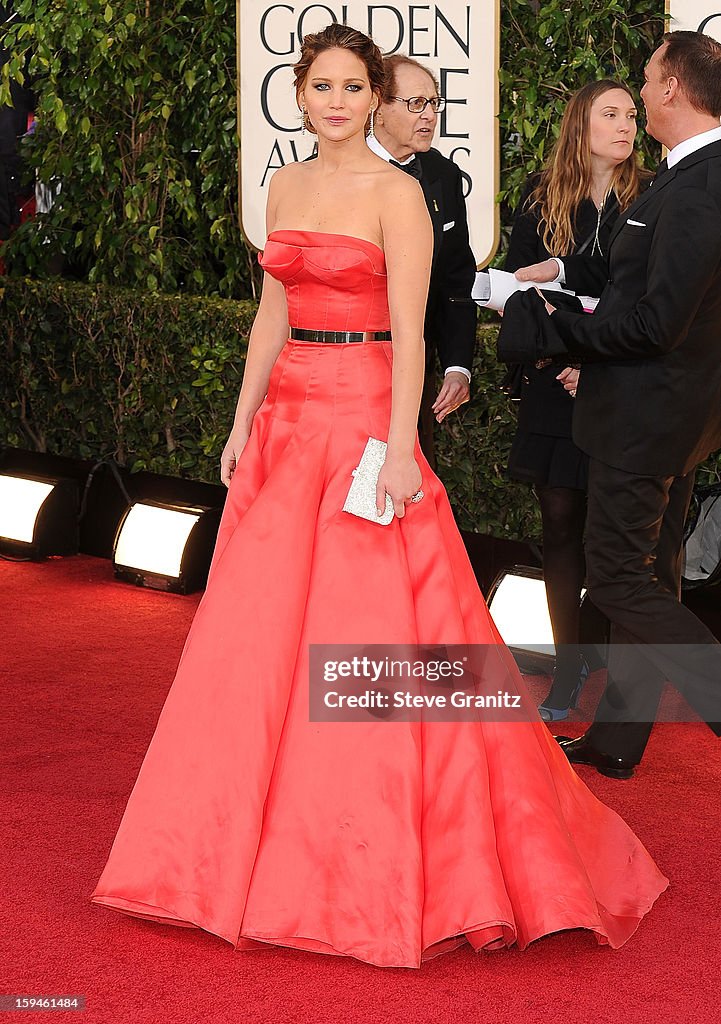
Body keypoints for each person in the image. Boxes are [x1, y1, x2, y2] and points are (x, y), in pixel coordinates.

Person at [92, 23, 667, 968]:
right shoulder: (285, 185)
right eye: (320, 85)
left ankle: (382, 850)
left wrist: (400, 448)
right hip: (286, 424)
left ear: (373, 99)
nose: (335, 102)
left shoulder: (398, 192)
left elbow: (409, 330)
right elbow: (270, 313)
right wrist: (240, 424)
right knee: (261, 636)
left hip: (363, 421)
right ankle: (230, 849)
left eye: (352, 87)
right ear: (298, 93)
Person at [506, 31, 721, 779]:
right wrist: (564, 273)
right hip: (667, 418)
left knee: (620, 581)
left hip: (645, 419)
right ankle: (616, 740)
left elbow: (655, 322)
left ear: (669, 90)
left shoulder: (699, 185)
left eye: (645, 78)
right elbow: (639, 276)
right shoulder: (685, 175)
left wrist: (555, 327)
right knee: (649, 580)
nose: (638, 93)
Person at [504, 81, 646, 722]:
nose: (625, 125)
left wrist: (594, 363)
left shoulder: (654, 195)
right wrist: (563, 360)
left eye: (632, 114)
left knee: (608, 531)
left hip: (619, 384)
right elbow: (520, 290)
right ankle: (568, 665)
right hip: (553, 385)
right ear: (579, 122)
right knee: (559, 528)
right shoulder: (538, 198)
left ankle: (594, 650)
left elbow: (643, 297)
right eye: (610, 113)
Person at [368, 54, 477, 466]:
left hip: (415, 374)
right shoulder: (329, 174)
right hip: (346, 368)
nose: (429, 115)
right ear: (379, 105)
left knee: (407, 489)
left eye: (434, 103)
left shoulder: (443, 176)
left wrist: (457, 367)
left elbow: (455, 280)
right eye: (416, 104)